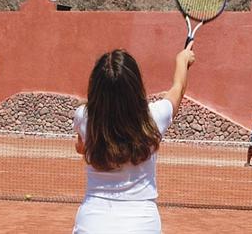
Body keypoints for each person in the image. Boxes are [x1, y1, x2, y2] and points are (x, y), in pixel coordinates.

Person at [72, 42, 195, 234]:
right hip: (143, 224)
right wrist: (182, 60)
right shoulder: (155, 117)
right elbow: (178, 89)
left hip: (92, 223)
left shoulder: (83, 116)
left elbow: (81, 148)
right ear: (136, 84)